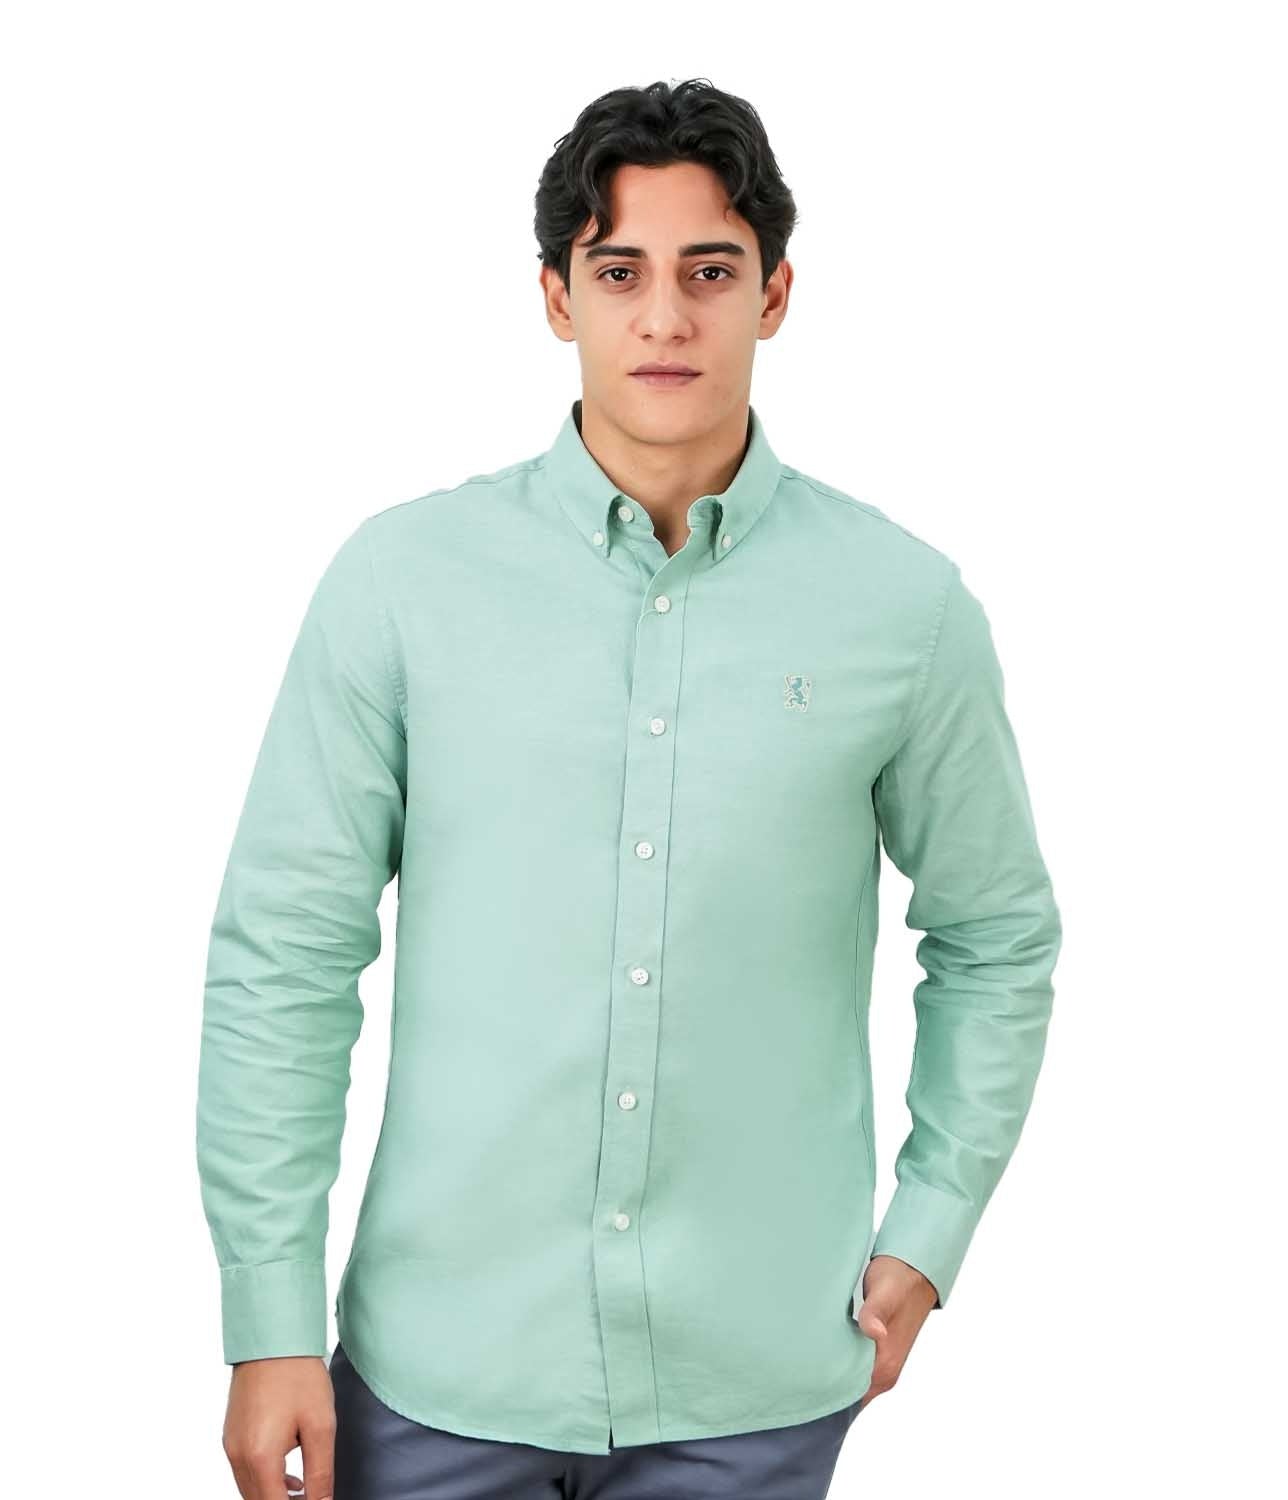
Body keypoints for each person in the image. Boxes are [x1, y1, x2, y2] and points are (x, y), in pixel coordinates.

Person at [196, 76, 1062, 1500]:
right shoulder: (403, 586)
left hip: (758, 1382)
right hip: (442, 1373)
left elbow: (996, 935)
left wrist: (932, 1227)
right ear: (557, 297)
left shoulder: (903, 611)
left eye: (709, 272)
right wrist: (268, 1315)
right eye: (620, 273)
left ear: (775, 295)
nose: (665, 317)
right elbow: (284, 953)